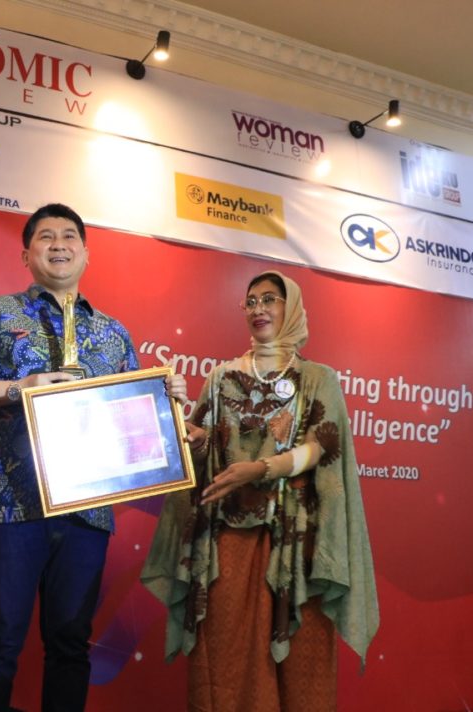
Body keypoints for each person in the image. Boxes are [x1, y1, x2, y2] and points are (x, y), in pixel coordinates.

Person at [0, 203, 186, 712]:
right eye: (45, 236)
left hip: (88, 514)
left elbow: (135, 422)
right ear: (25, 254)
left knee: (71, 647)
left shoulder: (113, 333)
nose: (58, 244)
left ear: (86, 253)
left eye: (69, 236)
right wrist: (18, 388)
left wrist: (169, 403)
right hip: (11, 506)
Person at [141, 270, 379, 712]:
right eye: (250, 302)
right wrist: (195, 440)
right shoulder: (221, 377)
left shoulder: (317, 378)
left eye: (270, 299)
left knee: (302, 662)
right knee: (226, 654)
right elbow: (205, 445)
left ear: (293, 308)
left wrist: (263, 468)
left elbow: (323, 446)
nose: (258, 309)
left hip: (299, 541)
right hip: (229, 541)